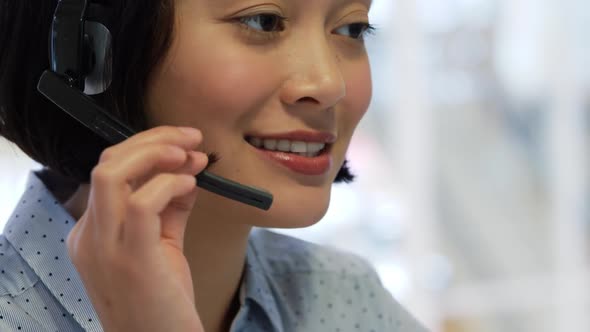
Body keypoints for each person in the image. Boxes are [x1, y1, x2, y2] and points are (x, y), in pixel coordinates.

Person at [0, 0, 428, 331]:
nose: (329, 84)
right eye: (263, 20)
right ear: (85, 56)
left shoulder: (345, 297)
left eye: (352, 28)